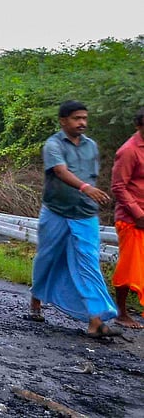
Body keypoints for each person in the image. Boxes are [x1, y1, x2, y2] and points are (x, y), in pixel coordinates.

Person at [28, 100, 119, 337]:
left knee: (88, 265)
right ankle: (36, 301)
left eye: (85, 118)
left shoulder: (91, 146)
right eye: (77, 118)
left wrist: (88, 194)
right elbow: (60, 170)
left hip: (85, 214)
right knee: (48, 258)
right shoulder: (53, 144)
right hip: (56, 211)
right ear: (63, 120)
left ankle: (95, 320)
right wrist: (85, 188)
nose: (82, 123)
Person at [111, 107, 144, 329]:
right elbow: (118, 186)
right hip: (132, 219)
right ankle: (121, 313)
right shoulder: (129, 150)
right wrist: (139, 214)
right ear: (139, 125)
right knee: (128, 268)